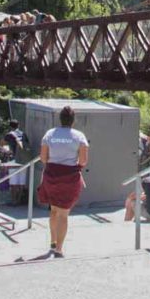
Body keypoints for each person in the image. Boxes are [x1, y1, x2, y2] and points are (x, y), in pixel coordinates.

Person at [38, 105, 88, 258]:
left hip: (51, 175)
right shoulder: (79, 136)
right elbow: (83, 161)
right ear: (73, 120)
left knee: (53, 210)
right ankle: (59, 249)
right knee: (63, 214)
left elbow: (43, 158)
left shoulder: (49, 134)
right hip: (69, 177)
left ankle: (53, 242)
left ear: (60, 118)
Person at [4, 120, 30, 205]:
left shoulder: (10, 134)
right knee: (21, 182)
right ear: (18, 125)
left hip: (14, 160)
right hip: (23, 160)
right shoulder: (23, 134)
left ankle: (14, 201)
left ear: (10, 126)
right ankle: (19, 200)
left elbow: (2, 144)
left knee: (13, 182)